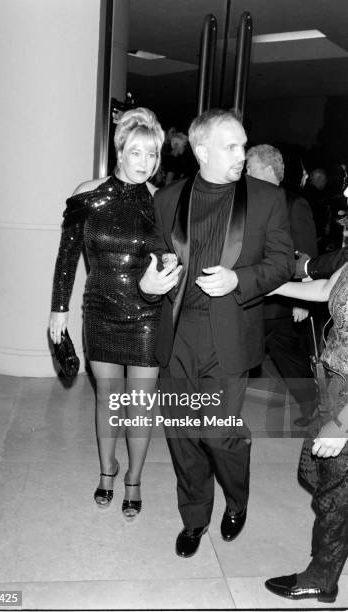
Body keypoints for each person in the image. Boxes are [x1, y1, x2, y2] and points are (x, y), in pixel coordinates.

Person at [140, 108, 295, 557]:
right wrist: (149, 283)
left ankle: (238, 499)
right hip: (177, 334)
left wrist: (239, 280)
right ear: (201, 149)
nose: (241, 155)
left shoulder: (266, 199)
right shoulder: (167, 199)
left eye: (244, 145)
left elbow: (283, 261)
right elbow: (154, 259)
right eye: (232, 146)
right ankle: (194, 518)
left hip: (228, 334)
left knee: (219, 432)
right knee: (183, 434)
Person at [50, 107, 165, 520]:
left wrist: (166, 274)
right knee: (108, 400)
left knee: (140, 402)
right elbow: (67, 257)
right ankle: (107, 470)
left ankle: (133, 478)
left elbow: (170, 260)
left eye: (152, 155)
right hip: (99, 309)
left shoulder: (159, 203)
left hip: (147, 315)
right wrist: (58, 310)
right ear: (120, 150)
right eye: (137, 152)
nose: (144, 163)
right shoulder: (88, 194)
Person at [265, 262, 348, 604]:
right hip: (333, 386)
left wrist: (343, 424)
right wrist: (272, 286)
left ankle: (322, 579)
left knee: (334, 496)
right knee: (312, 470)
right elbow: (327, 289)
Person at [246, 144, 318, 427]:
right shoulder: (249, 201)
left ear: (265, 169)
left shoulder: (293, 204)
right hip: (256, 294)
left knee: (244, 354)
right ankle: (313, 407)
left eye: (249, 168)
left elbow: (307, 254)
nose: (246, 173)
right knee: (287, 356)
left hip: (280, 300)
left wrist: (302, 300)